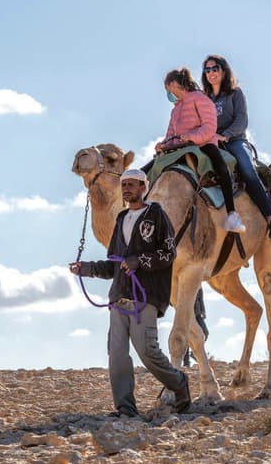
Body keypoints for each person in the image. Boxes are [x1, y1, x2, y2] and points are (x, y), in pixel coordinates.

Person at [69, 169, 191, 417]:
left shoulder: (156, 215)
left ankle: (179, 383)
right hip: (119, 297)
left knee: (147, 351)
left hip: (144, 297)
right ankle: (125, 408)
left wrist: (139, 261)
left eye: (132, 185)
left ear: (143, 188)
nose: (127, 189)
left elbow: (168, 255)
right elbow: (114, 265)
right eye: (124, 185)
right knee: (116, 355)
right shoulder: (121, 218)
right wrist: (87, 269)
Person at [152, 67, 246, 234]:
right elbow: (171, 134)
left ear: (178, 84)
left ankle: (232, 214)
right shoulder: (175, 110)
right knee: (152, 167)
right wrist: (163, 145)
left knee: (221, 167)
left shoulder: (200, 98)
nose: (168, 92)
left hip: (204, 143)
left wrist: (191, 137)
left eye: (169, 87)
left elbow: (210, 127)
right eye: (167, 89)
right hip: (180, 148)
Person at [201, 54, 271, 240]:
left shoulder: (235, 93)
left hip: (234, 140)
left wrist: (225, 135)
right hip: (211, 142)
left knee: (247, 170)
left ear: (223, 70)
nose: (211, 73)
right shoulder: (204, 98)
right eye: (207, 70)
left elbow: (242, 119)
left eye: (215, 69)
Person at [183, 287, 209, 367]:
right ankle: (186, 362)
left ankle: (194, 352)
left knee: (205, 333)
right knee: (186, 338)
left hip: (197, 314)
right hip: (186, 314)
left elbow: (201, 299)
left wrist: (203, 311)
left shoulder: (199, 287)